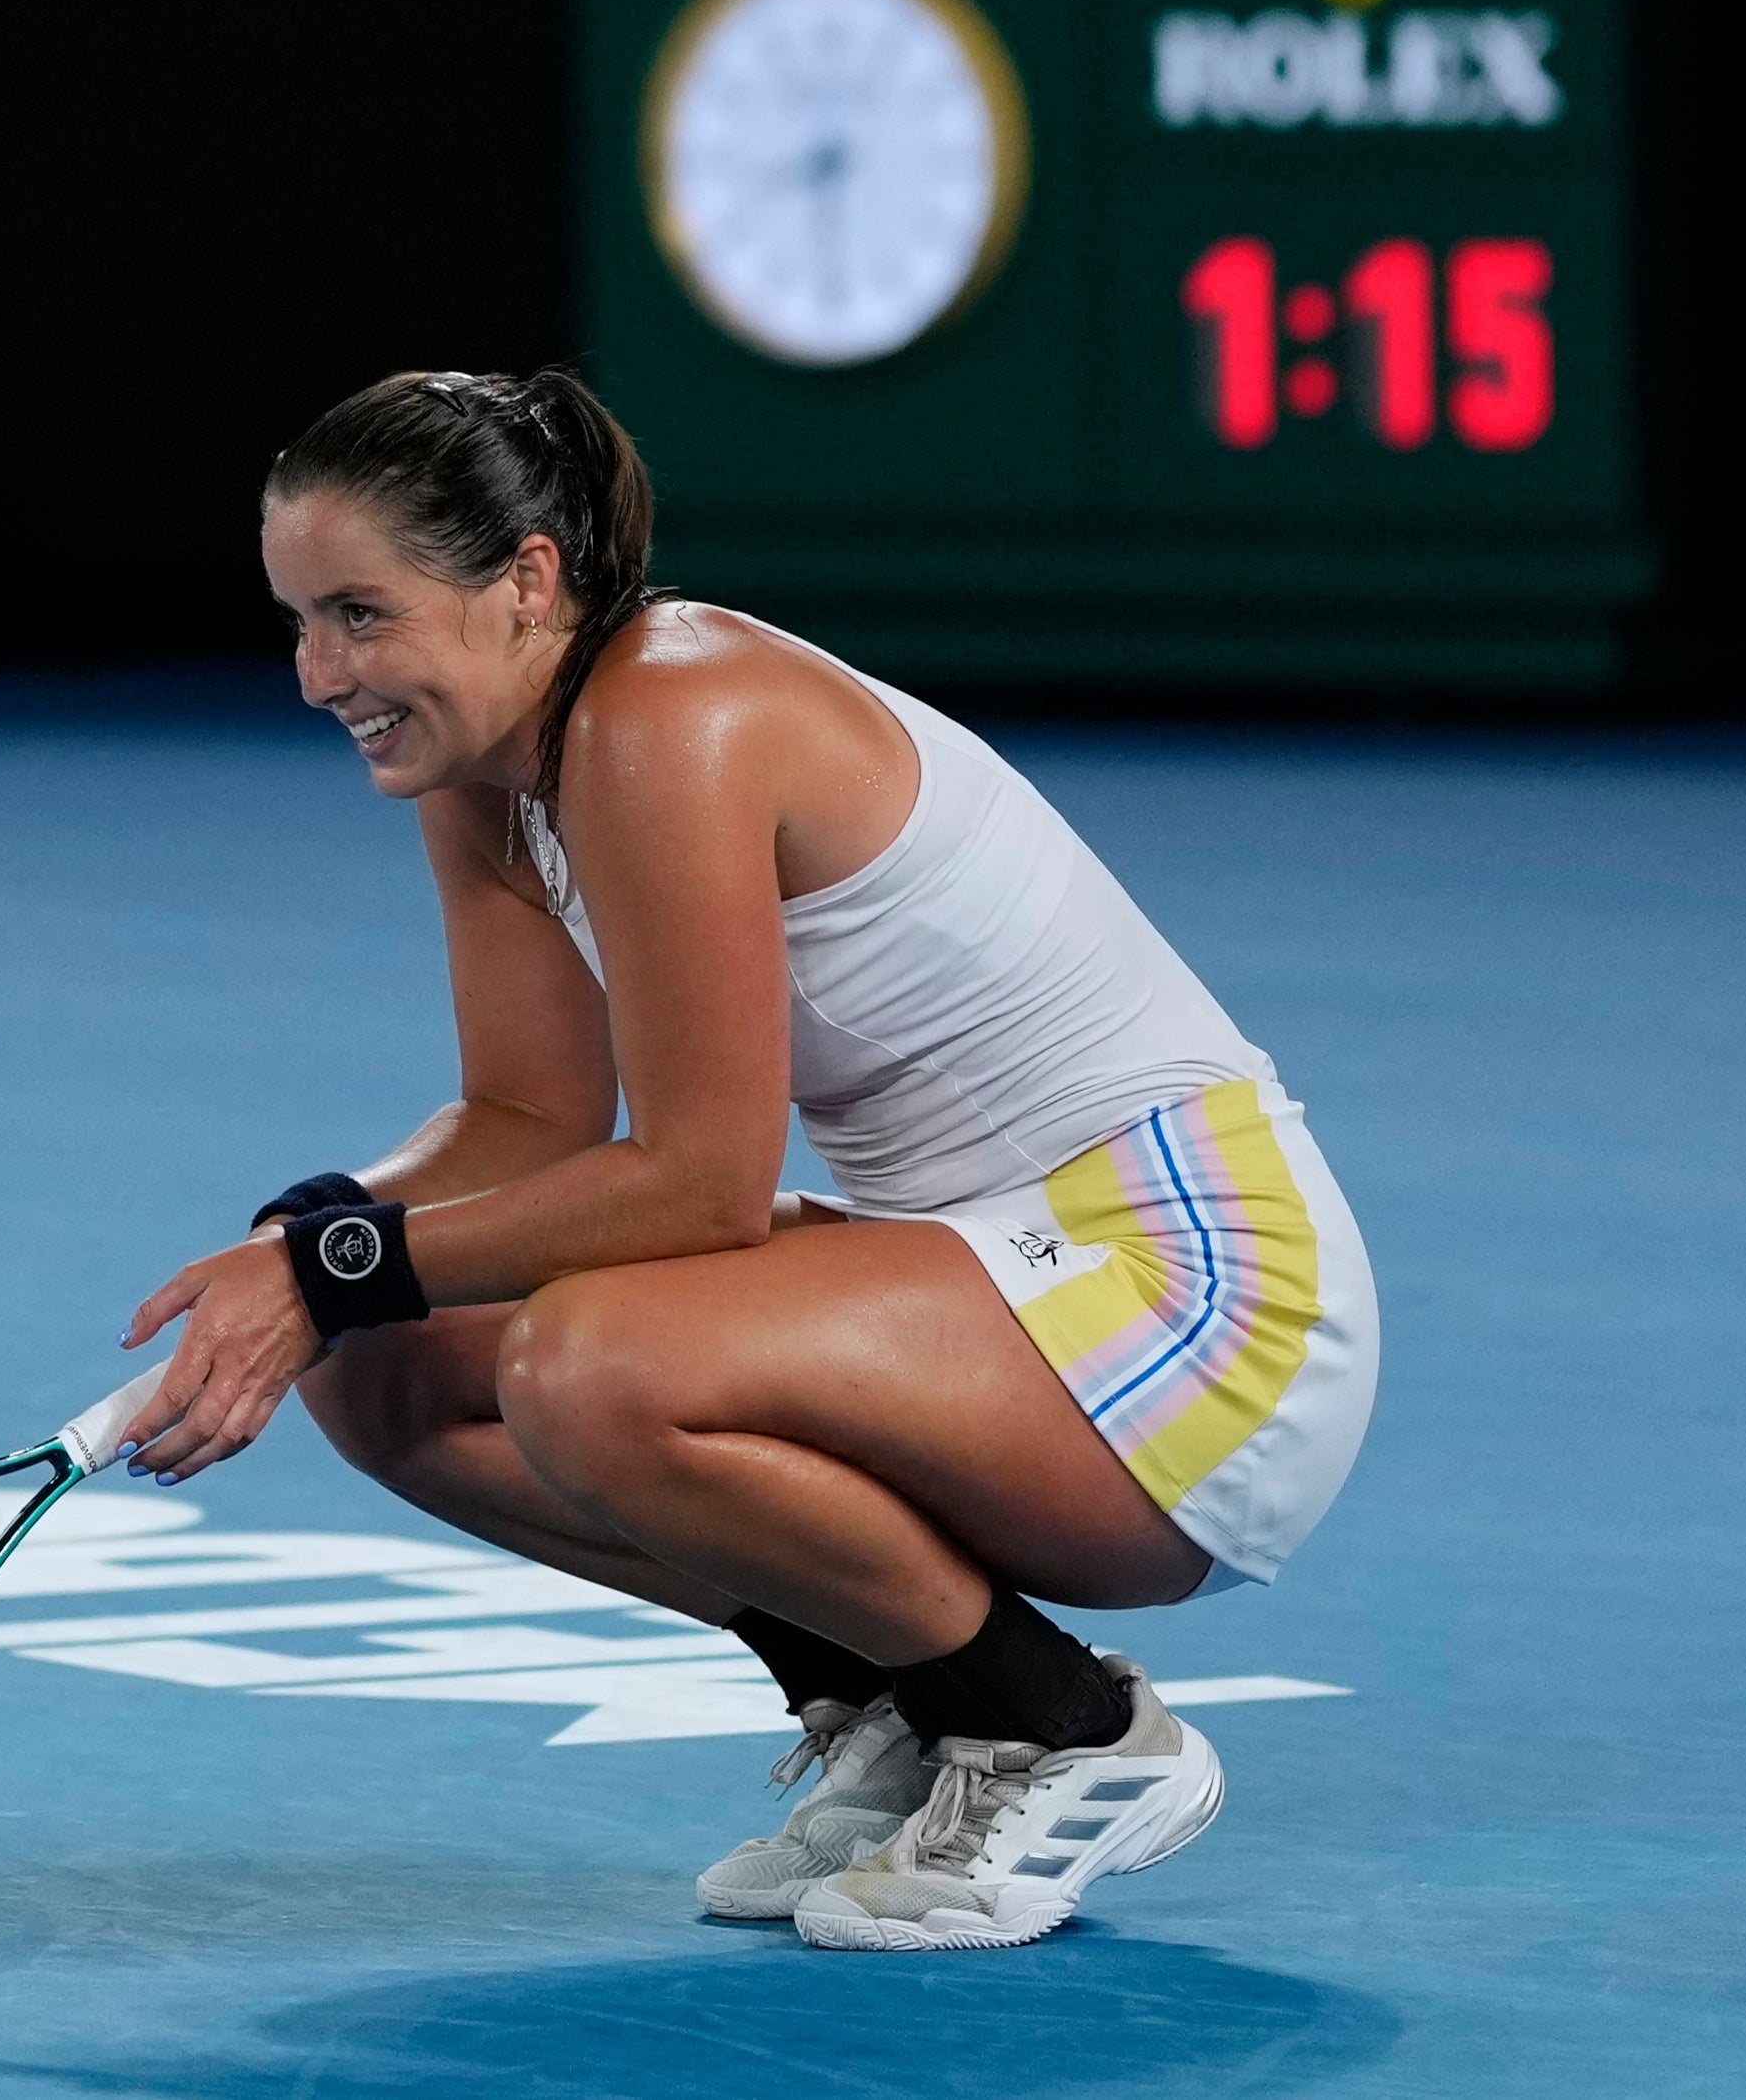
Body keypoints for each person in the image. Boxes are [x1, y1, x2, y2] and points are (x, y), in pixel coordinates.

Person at [117, 368, 1375, 1951]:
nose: (318, 674)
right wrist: (311, 1235)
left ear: (526, 575)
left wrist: (334, 1264)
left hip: (1194, 1313)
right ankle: (893, 1702)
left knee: (592, 1359)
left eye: (362, 614)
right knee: (385, 1366)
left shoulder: (670, 712)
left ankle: (1056, 1723)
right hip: (976, 1286)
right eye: (298, 619)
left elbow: (698, 1184)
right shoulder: (492, 767)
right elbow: (525, 1119)